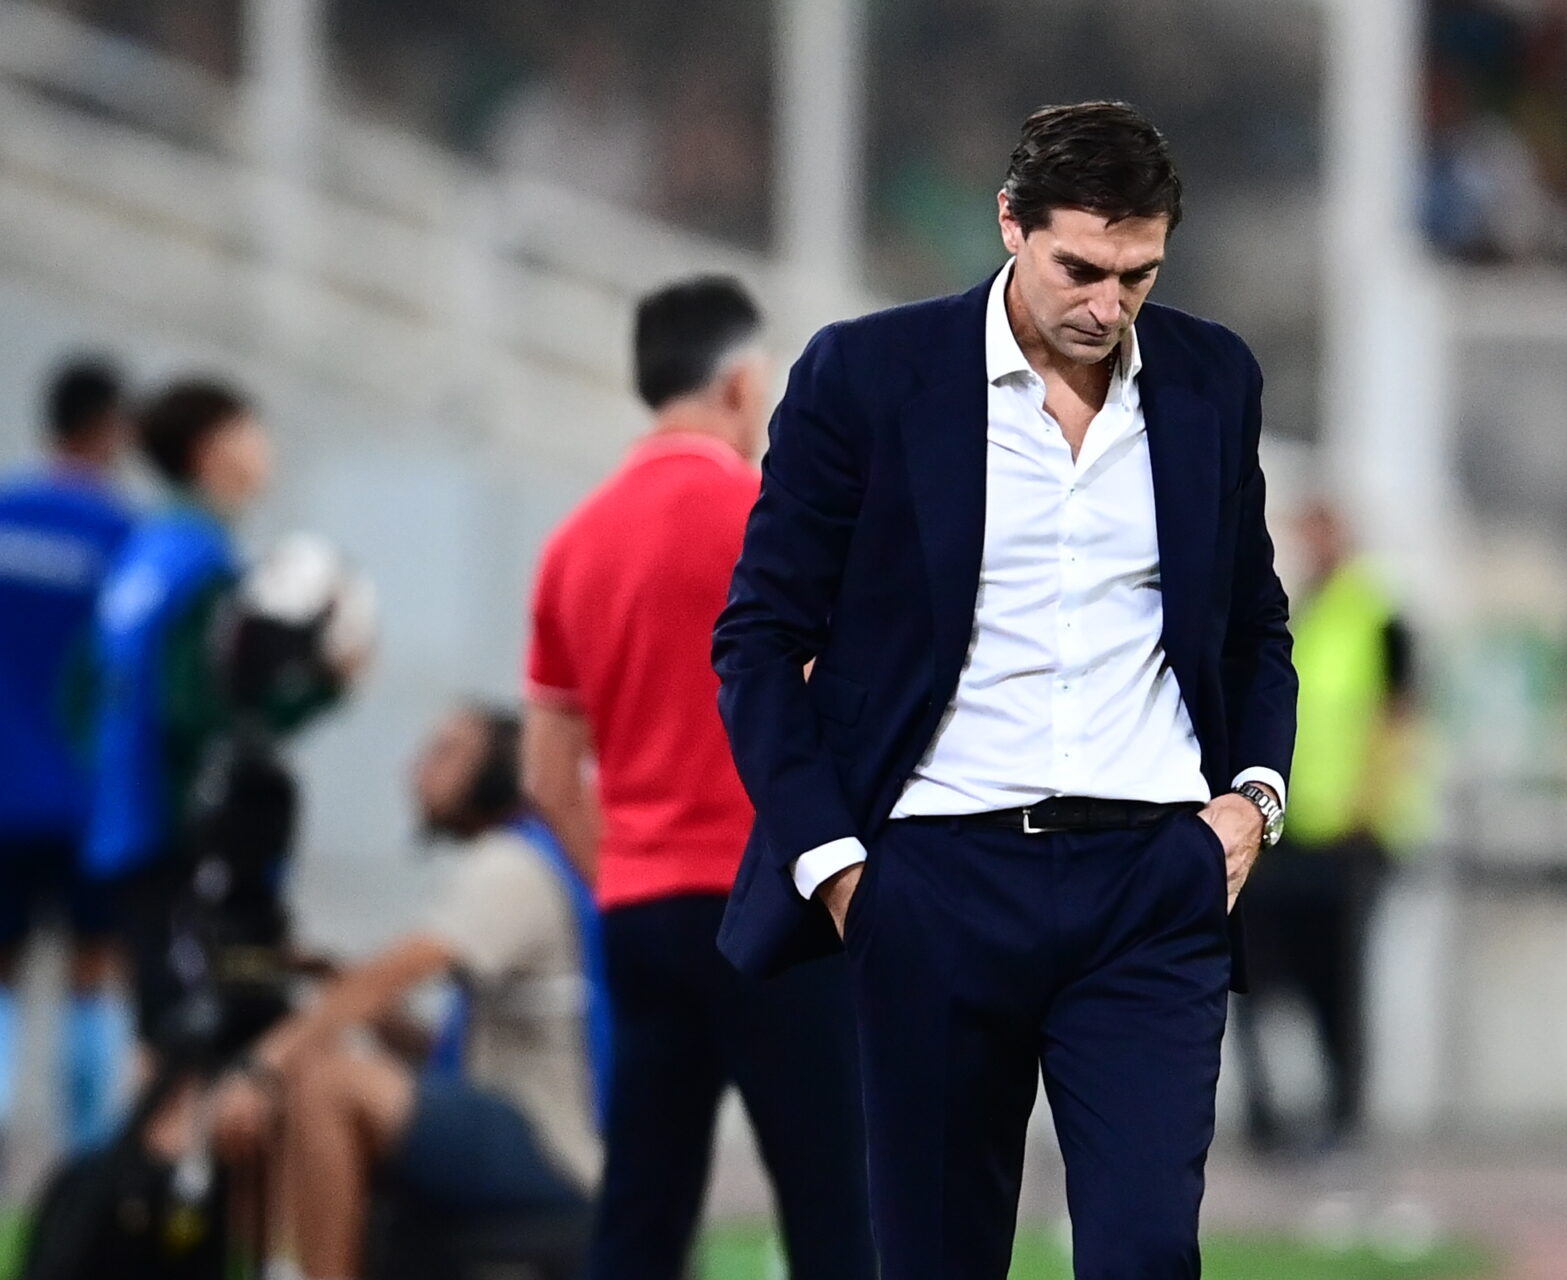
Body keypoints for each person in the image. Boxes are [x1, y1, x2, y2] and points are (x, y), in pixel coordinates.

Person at [715, 101, 1298, 1277]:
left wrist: (1253, 801)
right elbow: (760, 638)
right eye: (1080, 268)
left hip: (1153, 880)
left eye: (1138, 275)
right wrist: (839, 868)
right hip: (933, 879)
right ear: (1009, 225)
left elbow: (1254, 625)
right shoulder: (867, 375)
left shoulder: (1211, 379)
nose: (1108, 305)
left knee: (1146, 1254)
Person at [523, 277, 873, 1280]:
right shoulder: (775, 521)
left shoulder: (574, 542)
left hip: (642, 911)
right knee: (835, 1203)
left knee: (643, 1207)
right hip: (777, 903)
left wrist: (624, 872)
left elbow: (547, 774)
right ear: (741, 383)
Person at [211, 705, 603, 1280]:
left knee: (325, 1082)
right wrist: (335, 983)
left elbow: (391, 976)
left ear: (498, 771)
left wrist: (264, 1063)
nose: (417, 770)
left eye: (446, 753)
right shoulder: (533, 858)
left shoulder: (511, 866)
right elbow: (443, 1053)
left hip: (555, 1147)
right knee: (317, 1076)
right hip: (508, 1124)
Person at [86, 381, 348, 1048]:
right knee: (213, 1021)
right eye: (251, 432)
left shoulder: (147, 548)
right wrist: (324, 685)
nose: (266, 449)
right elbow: (205, 711)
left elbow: (81, 689)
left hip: (129, 822)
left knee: (158, 1012)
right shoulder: (207, 563)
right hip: (191, 840)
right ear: (210, 450)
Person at [1233, 499, 1419, 1157]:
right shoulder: (1296, 611)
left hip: (1349, 835)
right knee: (1255, 976)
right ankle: (1269, 1118)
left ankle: (1344, 1117)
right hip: (1285, 830)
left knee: (1336, 985)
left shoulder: (1377, 616)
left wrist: (1372, 806)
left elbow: (1398, 717)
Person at [0, 358, 136, 1154]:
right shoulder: (122, 538)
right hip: (90, 801)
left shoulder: (5, 513)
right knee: (95, 970)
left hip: (3, 792)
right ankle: (85, 1164)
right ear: (110, 429)